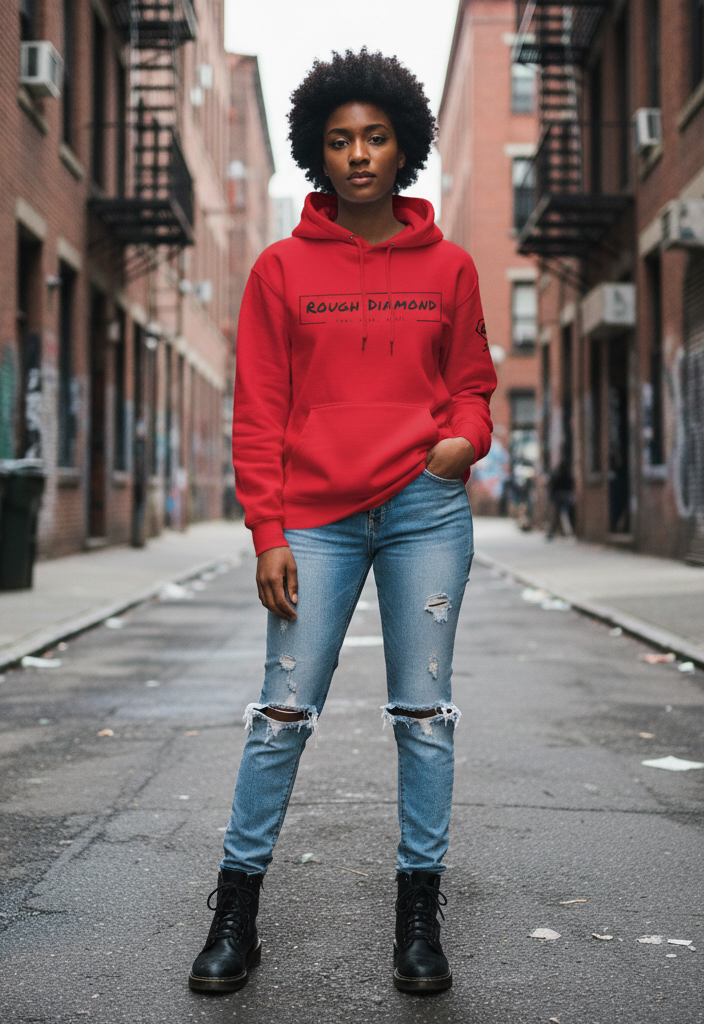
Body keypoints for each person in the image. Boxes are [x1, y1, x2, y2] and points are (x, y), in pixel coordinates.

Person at [188, 48, 496, 996]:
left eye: (374, 137)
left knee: (424, 717)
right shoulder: (280, 269)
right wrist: (268, 531)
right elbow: (258, 409)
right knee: (282, 713)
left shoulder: (449, 266)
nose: (358, 154)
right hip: (314, 520)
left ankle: (418, 920)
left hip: (424, 512)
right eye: (339, 140)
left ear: (402, 145)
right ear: (315, 153)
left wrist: (462, 443)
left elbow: (473, 386)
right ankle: (235, 914)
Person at [546, 460, 575, 540]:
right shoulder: (567, 474)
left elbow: (552, 486)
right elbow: (571, 486)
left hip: (558, 497)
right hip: (564, 497)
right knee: (563, 514)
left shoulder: (557, 474)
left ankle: (553, 532)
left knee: (557, 515)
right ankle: (567, 532)